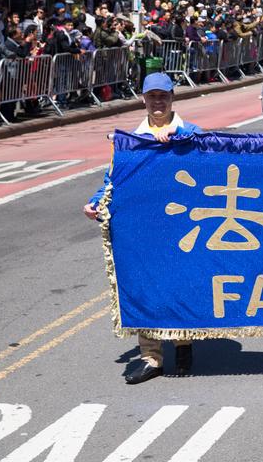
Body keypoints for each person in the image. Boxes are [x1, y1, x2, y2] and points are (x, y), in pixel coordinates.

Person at [83, 73, 202, 385]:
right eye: (152, 96)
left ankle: (183, 341)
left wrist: (178, 144)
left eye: (163, 96)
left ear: (173, 97)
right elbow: (113, 179)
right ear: (144, 99)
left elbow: (209, 167)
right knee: (146, 286)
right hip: (145, 226)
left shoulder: (191, 133)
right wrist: (96, 202)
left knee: (178, 284)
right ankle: (152, 356)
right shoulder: (132, 141)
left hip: (182, 224)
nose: (158, 102)